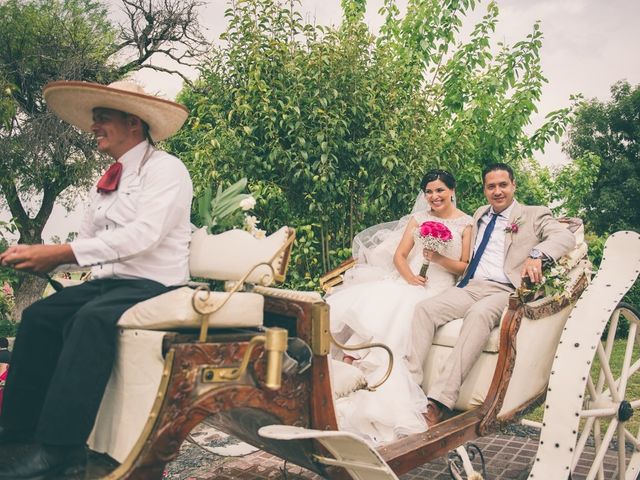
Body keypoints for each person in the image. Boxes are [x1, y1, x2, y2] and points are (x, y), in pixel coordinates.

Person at [0, 80, 192, 479]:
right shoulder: (108, 178)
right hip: (112, 284)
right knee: (39, 317)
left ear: (133, 122)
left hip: (154, 283)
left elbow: (144, 237)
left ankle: (61, 451)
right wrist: (39, 259)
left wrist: (59, 254)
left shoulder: (167, 170)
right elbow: (88, 241)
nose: (94, 127)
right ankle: (17, 436)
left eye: (102, 118)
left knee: (89, 320)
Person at [407, 163, 575, 427]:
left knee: (479, 314)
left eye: (503, 185)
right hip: (471, 285)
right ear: (485, 189)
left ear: (513, 185)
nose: (497, 191)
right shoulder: (479, 214)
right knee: (424, 309)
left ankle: (439, 401)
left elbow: (564, 238)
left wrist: (537, 255)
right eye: (491, 186)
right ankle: (410, 387)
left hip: (505, 290)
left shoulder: (533, 214)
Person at [327, 169, 472, 444]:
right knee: (386, 299)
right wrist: (409, 278)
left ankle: (376, 374)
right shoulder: (419, 219)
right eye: (429, 191)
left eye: (439, 190)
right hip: (412, 279)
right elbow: (400, 255)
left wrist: (438, 258)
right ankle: (354, 363)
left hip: (441, 287)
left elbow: (464, 266)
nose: (434, 196)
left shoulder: (466, 224)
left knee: (408, 310)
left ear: (452, 191)